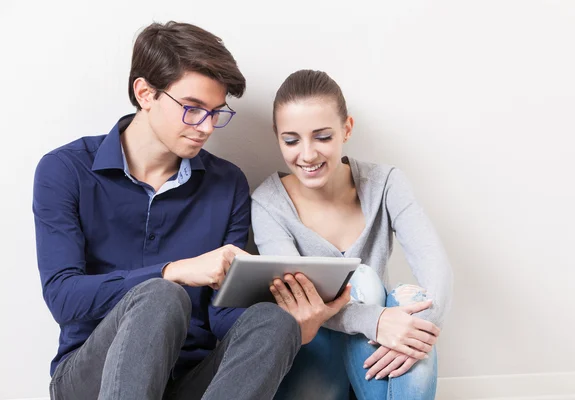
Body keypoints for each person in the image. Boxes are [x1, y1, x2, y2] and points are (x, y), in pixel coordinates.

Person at [33, 23, 349, 400]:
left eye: (216, 112)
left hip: (191, 380)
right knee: (161, 295)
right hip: (90, 379)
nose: (206, 127)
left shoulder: (227, 184)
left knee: (273, 321)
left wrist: (293, 322)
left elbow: (221, 317)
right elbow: (63, 298)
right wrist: (173, 272)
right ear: (145, 93)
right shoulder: (65, 170)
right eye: (193, 109)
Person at [251, 69, 453, 399]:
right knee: (362, 280)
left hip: (373, 359)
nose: (307, 154)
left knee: (413, 300)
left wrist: (418, 332)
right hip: (314, 362)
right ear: (277, 137)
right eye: (291, 140)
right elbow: (303, 299)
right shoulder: (268, 204)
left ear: (346, 129)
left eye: (322, 137)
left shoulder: (386, 183)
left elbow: (435, 266)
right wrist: (374, 321)